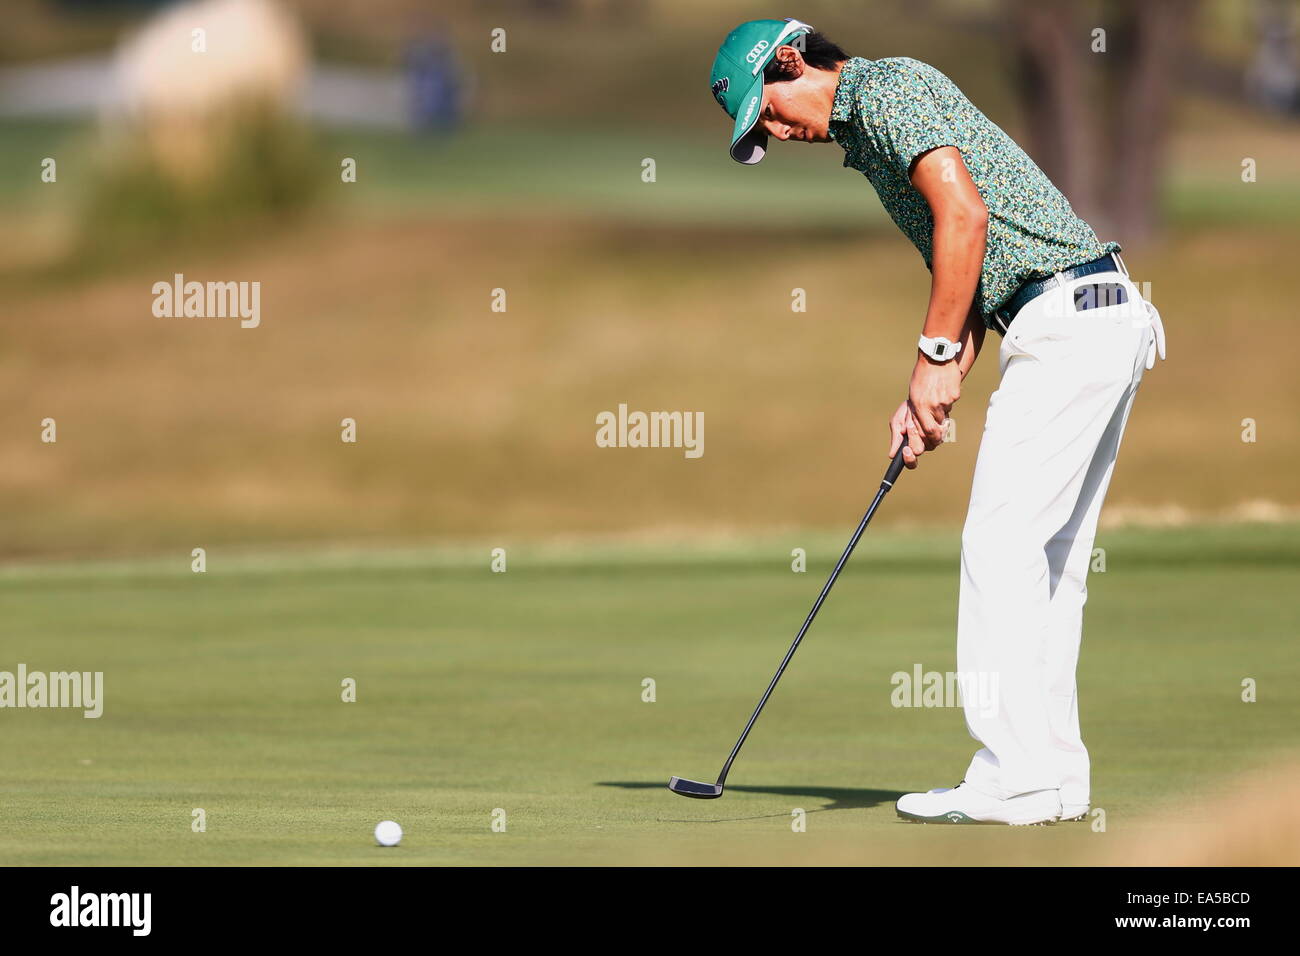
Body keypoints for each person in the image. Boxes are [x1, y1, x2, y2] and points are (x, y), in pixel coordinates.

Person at [709, 18, 1165, 825]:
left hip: (1068, 320)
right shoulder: (874, 133)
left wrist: (930, 358)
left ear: (790, 58)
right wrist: (939, 376)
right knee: (1050, 561)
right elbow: (971, 268)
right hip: (1090, 314)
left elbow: (967, 222)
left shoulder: (885, 93)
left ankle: (1012, 778)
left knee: (1000, 546)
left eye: (770, 110)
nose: (777, 131)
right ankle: (1054, 777)